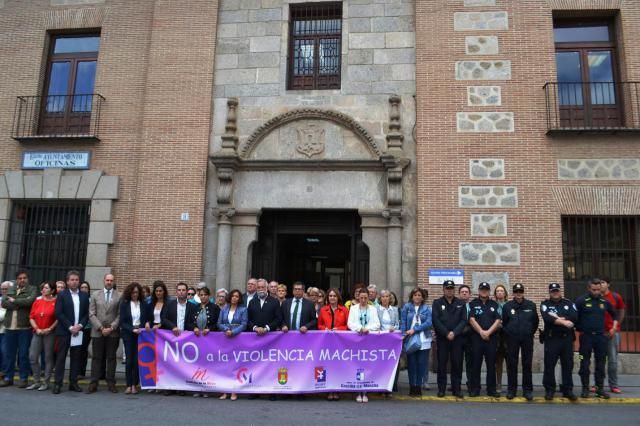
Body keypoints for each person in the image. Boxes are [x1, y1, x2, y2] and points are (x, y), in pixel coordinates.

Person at [575, 278, 618, 399]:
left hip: (600, 338)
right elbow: (573, 316)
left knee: (600, 364)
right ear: (589, 288)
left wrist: (613, 328)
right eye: (594, 290)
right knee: (584, 362)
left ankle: (600, 389)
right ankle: (585, 389)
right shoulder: (581, 301)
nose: (596, 292)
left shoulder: (604, 301)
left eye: (598, 290)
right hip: (585, 338)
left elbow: (615, 314)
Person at [53, 270, 90, 394]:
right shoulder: (62, 295)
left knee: (76, 358)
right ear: (67, 282)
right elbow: (59, 313)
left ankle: (73, 383)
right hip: (64, 331)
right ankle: (58, 383)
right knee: (61, 358)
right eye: (72, 280)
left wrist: (79, 326)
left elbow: (86, 314)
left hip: (78, 332)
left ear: (79, 282)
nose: (74, 282)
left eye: (76, 280)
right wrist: (70, 327)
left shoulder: (84, 296)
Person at [540, 282, 578, 401]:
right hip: (552, 339)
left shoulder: (569, 303)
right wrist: (563, 322)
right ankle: (550, 390)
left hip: (566, 339)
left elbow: (574, 317)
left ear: (560, 291)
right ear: (550, 292)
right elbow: (547, 318)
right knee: (549, 365)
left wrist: (557, 319)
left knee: (568, 364)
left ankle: (567, 390)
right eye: (553, 291)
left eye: (557, 290)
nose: (555, 293)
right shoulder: (545, 304)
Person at [501, 283, 538, 401]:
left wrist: (529, 332)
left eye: (520, 292)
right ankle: (512, 390)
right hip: (512, 339)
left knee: (527, 364)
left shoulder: (531, 305)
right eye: (516, 292)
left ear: (523, 292)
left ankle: (527, 390)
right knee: (512, 364)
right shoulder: (507, 306)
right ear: (513, 293)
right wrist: (509, 333)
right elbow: (504, 322)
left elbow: (535, 322)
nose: (518, 294)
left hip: (527, 338)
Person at [247, 279, 282, 400]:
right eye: (258, 288)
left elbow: (278, 319)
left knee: (270, 366)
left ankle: (272, 391)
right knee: (256, 365)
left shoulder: (274, 302)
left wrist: (267, 328)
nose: (260, 289)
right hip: (256, 338)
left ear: (267, 288)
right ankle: (255, 391)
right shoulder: (252, 302)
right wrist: (255, 328)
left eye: (262, 287)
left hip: (270, 339)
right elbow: (248, 319)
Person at [0, 270, 36, 388]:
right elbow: (4, 303)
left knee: (23, 354)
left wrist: (14, 300)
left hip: (24, 327)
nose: (22, 280)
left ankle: (23, 378)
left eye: (24, 278)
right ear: (17, 279)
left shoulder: (32, 289)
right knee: (9, 354)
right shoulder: (11, 289)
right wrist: (20, 303)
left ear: (27, 279)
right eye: (20, 278)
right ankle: (8, 377)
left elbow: (30, 302)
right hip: (10, 327)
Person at [86, 274, 120, 394]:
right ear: (103, 280)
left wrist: (111, 327)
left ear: (114, 281)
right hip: (97, 332)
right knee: (96, 358)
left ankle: (111, 382)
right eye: (107, 280)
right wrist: (100, 327)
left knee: (111, 358)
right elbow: (91, 313)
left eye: (111, 280)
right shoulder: (95, 295)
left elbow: (120, 315)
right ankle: (93, 383)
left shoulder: (119, 296)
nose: (109, 282)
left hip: (113, 332)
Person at [432, 280, 466, 398]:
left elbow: (463, 320)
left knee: (457, 364)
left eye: (451, 288)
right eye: (447, 288)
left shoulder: (461, 303)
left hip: (457, 339)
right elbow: (436, 320)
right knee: (442, 364)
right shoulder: (437, 303)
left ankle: (456, 389)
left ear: (454, 290)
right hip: (443, 338)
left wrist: (454, 333)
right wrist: (446, 333)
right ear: (443, 289)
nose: (449, 290)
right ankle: (441, 389)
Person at [468, 282, 501, 397]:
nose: (484, 291)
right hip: (476, 338)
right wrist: (481, 332)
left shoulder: (495, 304)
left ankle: (491, 390)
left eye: (486, 289)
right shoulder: (472, 304)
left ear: (489, 291)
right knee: (476, 364)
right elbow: (471, 319)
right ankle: (475, 389)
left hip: (491, 339)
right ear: (479, 290)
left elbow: (498, 321)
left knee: (491, 365)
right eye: (482, 289)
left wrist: (488, 332)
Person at [349, 287, 381, 402]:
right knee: (357, 366)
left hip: (369, 342)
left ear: (368, 298)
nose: (363, 300)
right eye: (361, 297)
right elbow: (350, 323)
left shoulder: (373, 309)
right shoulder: (353, 309)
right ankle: (358, 391)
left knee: (367, 366)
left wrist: (367, 329)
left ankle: (365, 391)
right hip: (356, 341)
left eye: (365, 298)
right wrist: (360, 328)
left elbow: (377, 324)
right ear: (358, 298)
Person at [400, 288, 432, 398]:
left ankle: (418, 386)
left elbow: (429, 323)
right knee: (412, 364)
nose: (417, 297)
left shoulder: (427, 308)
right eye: (415, 295)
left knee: (421, 365)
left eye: (419, 295)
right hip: (410, 339)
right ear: (412, 297)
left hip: (424, 340)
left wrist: (415, 329)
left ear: (423, 297)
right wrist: (403, 335)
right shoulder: (407, 307)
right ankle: (412, 387)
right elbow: (403, 321)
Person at [26, 282, 58, 391]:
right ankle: (36, 381)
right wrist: (37, 329)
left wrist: (50, 329)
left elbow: (58, 318)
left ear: (52, 290)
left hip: (50, 333)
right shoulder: (37, 301)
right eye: (43, 288)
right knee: (32, 357)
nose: (44, 289)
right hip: (37, 332)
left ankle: (46, 382)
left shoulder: (56, 302)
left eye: (46, 288)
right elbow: (31, 317)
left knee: (48, 358)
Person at [217, 289, 247, 401]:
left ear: (239, 299)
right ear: (230, 297)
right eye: (233, 296)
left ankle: (234, 391)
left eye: (237, 296)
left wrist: (233, 332)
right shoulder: (224, 309)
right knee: (225, 365)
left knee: (235, 365)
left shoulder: (243, 309)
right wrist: (226, 329)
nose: (235, 298)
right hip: (225, 338)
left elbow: (244, 324)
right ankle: (224, 391)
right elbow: (219, 323)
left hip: (237, 338)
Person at [119, 282, 149, 395]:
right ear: (129, 293)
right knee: (129, 360)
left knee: (137, 361)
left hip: (140, 334)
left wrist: (146, 323)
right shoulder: (124, 304)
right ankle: (128, 384)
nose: (135, 294)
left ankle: (134, 385)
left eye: (136, 292)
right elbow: (122, 322)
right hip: (128, 334)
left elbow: (148, 318)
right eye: (133, 292)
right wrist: (132, 329)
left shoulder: (144, 304)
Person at [600, 277, 625, 394]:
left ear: (608, 284)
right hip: (599, 333)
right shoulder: (596, 297)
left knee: (613, 360)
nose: (600, 285)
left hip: (612, 333)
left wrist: (616, 327)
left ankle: (613, 385)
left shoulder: (616, 297)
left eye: (603, 282)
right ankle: (598, 384)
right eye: (599, 283)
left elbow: (621, 311)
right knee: (599, 360)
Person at [377, 289, 399, 398]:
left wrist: (393, 328)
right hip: (380, 340)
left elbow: (397, 324)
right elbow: (376, 324)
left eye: (387, 296)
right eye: (383, 296)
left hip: (392, 340)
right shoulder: (376, 309)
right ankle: (381, 387)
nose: (385, 298)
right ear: (380, 299)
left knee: (390, 365)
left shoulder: (394, 310)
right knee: (381, 365)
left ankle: (389, 387)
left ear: (390, 298)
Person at [458, 284, 473, 392]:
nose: (464, 293)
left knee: (470, 362)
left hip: (471, 338)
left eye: (466, 292)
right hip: (458, 337)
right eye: (462, 292)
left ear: (469, 294)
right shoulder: (455, 305)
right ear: (459, 294)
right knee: (457, 362)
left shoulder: (473, 306)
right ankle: (456, 383)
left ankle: (470, 384)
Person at [493, 283, 508, 393]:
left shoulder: (509, 305)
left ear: (505, 293)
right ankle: (498, 384)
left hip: (507, 336)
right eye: (497, 291)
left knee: (509, 361)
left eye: (501, 291)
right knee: (498, 362)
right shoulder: (492, 305)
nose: (499, 292)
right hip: (496, 335)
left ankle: (512, 384)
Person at [77, 281, 92, 379]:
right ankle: (75, 370)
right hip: (76, 328)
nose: (84, 289)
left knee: (83, 350)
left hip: (87, 328)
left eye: (86, 287)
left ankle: (81, 372)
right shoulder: (76, 298)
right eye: (82, 287)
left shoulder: (91, 300)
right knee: (76, 350)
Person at [0, 281, 9, 381]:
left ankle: (4, 372)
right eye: (2, 289)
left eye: (6, 289)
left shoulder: (11, 300)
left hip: (6, 330)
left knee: (4, 352)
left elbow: (4, 316)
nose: (4, 291)